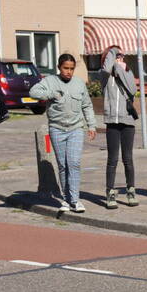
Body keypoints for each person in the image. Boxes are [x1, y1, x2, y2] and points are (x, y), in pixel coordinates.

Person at [29, 54, 97, 213]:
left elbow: (87, 106)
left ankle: (75, 200)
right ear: (59, 67)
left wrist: (92, 125)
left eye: (72, 69)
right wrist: (50, 94)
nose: (68, 72)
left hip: (76, 129)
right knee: (63, 165)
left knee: (73, 163)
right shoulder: (50, 81)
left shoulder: (79, 84)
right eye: (66, 68)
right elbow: (33, 92)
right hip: (57, 128)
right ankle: (66, 200)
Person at [100, 45, 138, 209]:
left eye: (122, 56)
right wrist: (113, 53)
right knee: (112, 159)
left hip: (128, 121)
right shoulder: (105, 76)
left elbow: (132, 89)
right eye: (116, 56)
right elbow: (107, 68)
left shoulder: (128, 73)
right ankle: (110, 192)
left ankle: (130, 190)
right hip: (112, 122)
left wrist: (121, 69)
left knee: (128, 159)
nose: (120, 59)